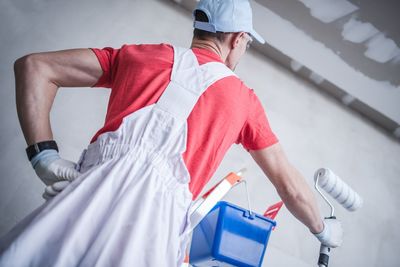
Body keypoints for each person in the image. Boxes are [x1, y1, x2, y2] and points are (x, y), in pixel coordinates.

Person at [0, 0, 342, 266]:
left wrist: (44, 155)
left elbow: (35, 67)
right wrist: (324, 230)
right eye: (247, 43)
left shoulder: (140, 57)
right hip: (154, 226)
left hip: (90, 194)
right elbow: (290, 187)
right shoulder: (243, 101)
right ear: (238, 38)